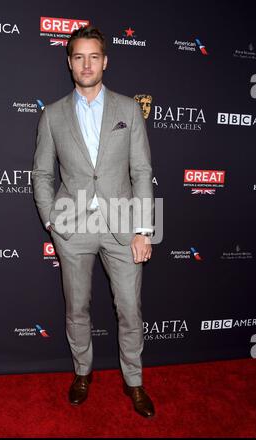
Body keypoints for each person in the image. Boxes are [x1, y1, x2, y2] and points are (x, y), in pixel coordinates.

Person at [32, 25, 155, 418]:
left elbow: (141, 170)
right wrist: (52, 219)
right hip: (73, 226)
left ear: (105, 61)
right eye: (79, 57)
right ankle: (82, 372)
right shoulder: (51, 115)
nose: (87, 64)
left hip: (123, 225)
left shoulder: (128, 109)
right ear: (69, 63)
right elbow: (42, 174)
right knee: (77, 308)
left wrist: (144, 229)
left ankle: (133, 380)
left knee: (130, 310)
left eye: (94, 56)